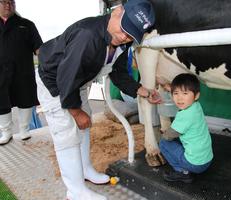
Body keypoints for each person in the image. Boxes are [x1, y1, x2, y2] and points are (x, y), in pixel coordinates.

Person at [36, 0, 158, 199]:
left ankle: (85, 170)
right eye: (124, 29)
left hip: (77, 81)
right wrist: (75, 112)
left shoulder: (122, 41)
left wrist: (140, 90)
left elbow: (117, 72)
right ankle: (75, 191)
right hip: (54, 82)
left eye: (131, 35)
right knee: (66, 133)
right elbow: (66, 78)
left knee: (85, 125)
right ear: (118, 12)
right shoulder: (88, 36)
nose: (123, 37)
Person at [0, 0, 43, 145]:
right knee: (2, 103)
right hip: (0, 74)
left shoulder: (27, 25)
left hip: (23, 71)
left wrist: (49, 63)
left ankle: (24, 129)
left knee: (25, 99)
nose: (8, 5)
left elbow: (39, 48)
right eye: (3, 2)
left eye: (11, 2)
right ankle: (6, 132)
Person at [159, 73, 213, 183]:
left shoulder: (184, 115)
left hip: (195, 165)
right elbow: (183, 95)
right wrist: (170, 88)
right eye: (176, 93)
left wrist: (164, 133)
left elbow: (168, 136)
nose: (179, 98)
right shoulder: (196, 106)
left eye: (185, 93)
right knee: (180, 138)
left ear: (196, 95)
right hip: (207, 159)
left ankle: (183, 172)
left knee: (163, 143)